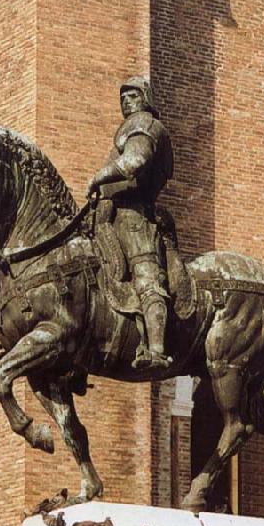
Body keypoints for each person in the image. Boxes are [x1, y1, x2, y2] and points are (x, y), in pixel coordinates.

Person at [86, 77, 174, 369]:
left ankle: (157, 349)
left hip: (136, 216)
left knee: (146, 277)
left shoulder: (145, 126)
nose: (126, 101)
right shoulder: (127, 129)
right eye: (123, 96)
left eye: (133, 95)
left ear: (145, 98)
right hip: (110, 215)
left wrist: (100, 176)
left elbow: (134, 162)